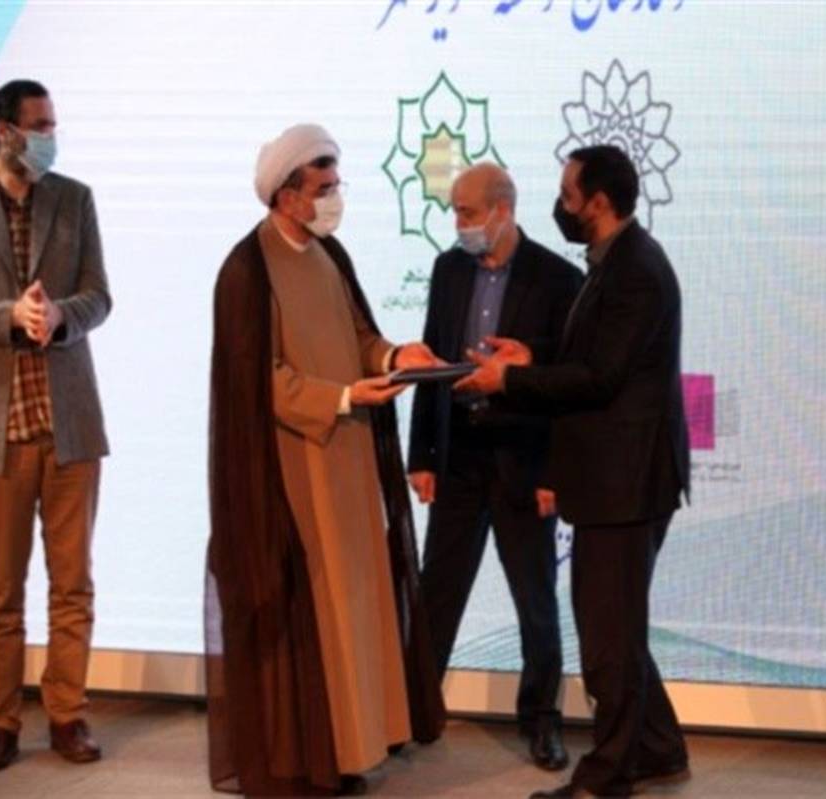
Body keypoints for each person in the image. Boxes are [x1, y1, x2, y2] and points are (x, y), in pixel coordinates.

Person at [205, 123, 445, 796]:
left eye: (336, 184)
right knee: (317, 612)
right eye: (324, 187)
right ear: (287, 195)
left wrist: (396, 356)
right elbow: (261, 379)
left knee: (354, 609)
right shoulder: (246, 270)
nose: (334, 198)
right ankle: (310, 761)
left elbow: (359, 337)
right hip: (293, 471)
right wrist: (341, 396)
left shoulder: (330, 254)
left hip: (348, 461)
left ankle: (349, 748)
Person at [457, 144, 691, 798]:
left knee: (608, 637)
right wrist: (532, 354)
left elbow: (599, 376)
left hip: (627, 482)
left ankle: (606, 775)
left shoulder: (636, 269)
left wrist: (510, 380)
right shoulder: (614, 260)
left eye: (567, 196)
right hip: (613, 480)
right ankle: (658, 747)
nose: (559, 207)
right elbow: (590, 350)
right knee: (617, 627)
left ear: (598, 201)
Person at [408, 162, 582, 771]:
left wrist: (557, 473)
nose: (459, 224)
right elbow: (430, 358)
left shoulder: (557, 278)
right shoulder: (448, 269)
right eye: (455, 211)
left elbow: (566, 382)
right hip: (458, 455)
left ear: (503, 210)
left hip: (524, 461)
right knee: (436, 593)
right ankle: (413, 712)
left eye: (468, 212)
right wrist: (422, 454)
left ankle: (542, 720)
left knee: (534, 599)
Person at [0, 79, 111, 771]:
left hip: (69, 425)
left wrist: (59, 316)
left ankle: (67, 713)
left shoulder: (74, 198)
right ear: (4, 131)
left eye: (52, 124)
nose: (50, 136)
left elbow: (100, 297)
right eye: (41, 125)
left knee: (72, 583)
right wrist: (10, 317)